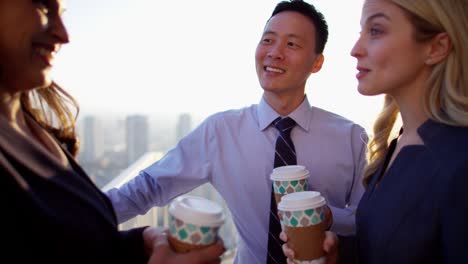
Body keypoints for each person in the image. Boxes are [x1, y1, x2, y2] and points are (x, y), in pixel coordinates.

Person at [106, 0, 367, 263]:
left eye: (291, 44)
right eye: (268, 40)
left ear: (317, 63)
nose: (274, 52)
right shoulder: (220, 131)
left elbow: (369, 223)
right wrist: (79, 217)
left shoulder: (351, 138)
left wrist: (329, 217)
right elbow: (147, 188)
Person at [0, 0, 225, 263]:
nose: (64, 35)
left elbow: (69, 245)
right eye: (42, 6)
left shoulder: (31, 128)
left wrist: (140, 243)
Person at [281, 0, 468, 263]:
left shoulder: (458, 162)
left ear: (436, 47)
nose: (355, 50)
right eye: (361, 32)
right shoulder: (399, 144)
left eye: (376, 30)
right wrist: (341, 253)